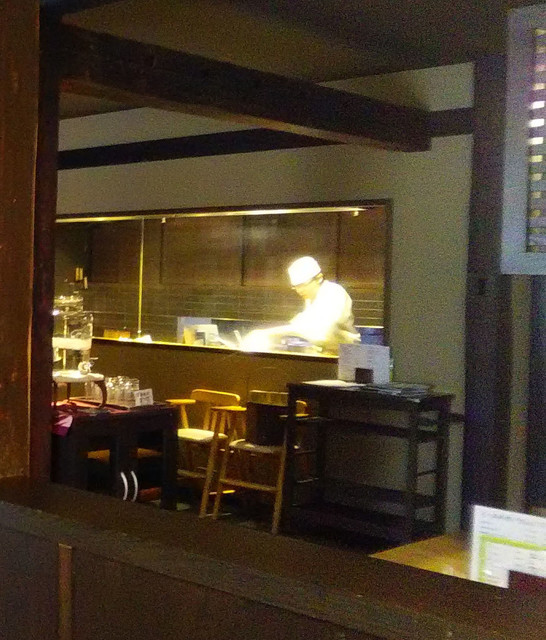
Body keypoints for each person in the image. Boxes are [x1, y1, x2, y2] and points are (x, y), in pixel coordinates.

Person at [242, 256, 360, 354]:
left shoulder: (333, 292)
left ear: (319, 278)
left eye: (303, 285)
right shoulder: (310, 299)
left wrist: (271, 332)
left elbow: (321, 331)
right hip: (327, 352)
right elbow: (300, 323)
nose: (299, 290)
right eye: (296, 287)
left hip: (346, 354)